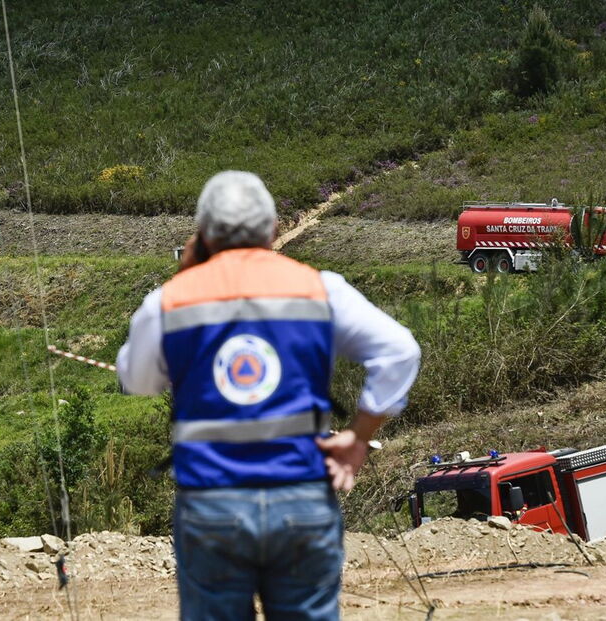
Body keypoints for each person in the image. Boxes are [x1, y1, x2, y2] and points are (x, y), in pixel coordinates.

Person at [116, 170, 420, 620]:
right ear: (275, 229)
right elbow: (400, 351)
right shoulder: (322, 290)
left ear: (201, 235)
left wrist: (183, 278)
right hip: (301, 498)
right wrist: (358, 437)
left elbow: (137, 380)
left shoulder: (168, 302)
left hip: (211, 503)